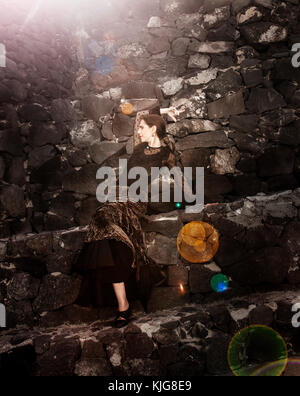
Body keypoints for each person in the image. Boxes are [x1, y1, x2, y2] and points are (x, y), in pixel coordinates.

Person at [73, 106, 186, 328]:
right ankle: (123, 304)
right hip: (118, 197)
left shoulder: (166, 153)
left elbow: (178, 179)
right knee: (106, 233)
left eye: (143, 128)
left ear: (153, 130)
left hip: (135, 203)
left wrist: (196, 201)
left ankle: (124, 305)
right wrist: (163, 110)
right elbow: (142, 115)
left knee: (103, 219)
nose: (139, 131)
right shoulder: (138, 149)